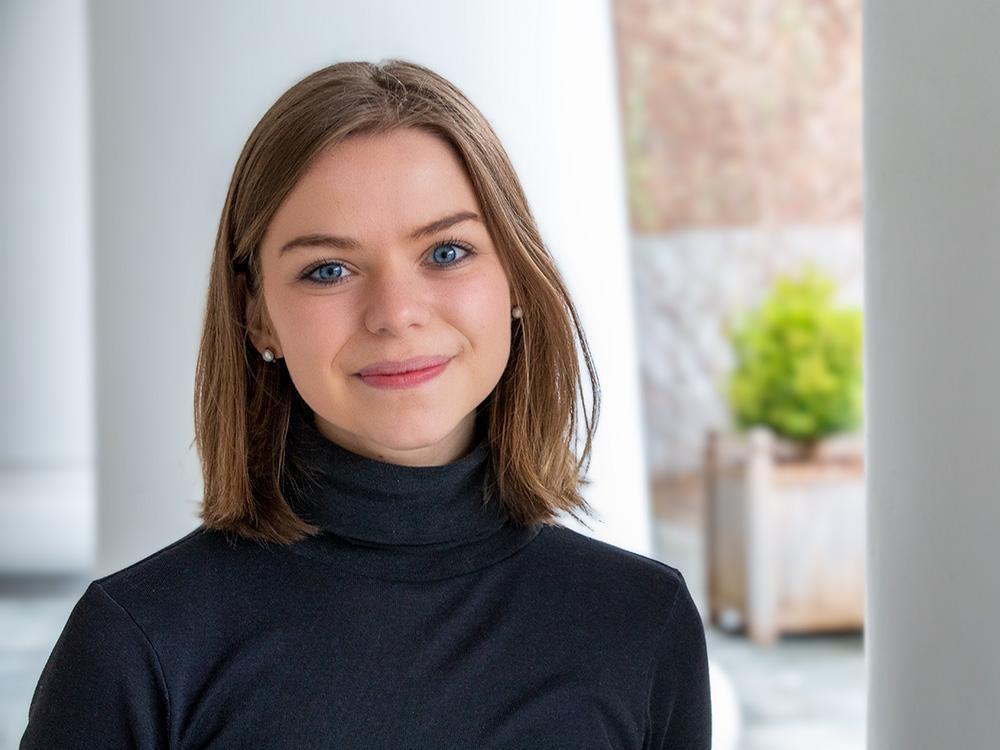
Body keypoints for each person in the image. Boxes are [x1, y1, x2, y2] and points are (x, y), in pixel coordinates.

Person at [20, 58, 711, 749]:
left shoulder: (641, 624)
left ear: (519, 279)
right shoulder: (138, 645)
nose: (396, 313)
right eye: (329, 269)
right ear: (257, 316)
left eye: (446, 252)